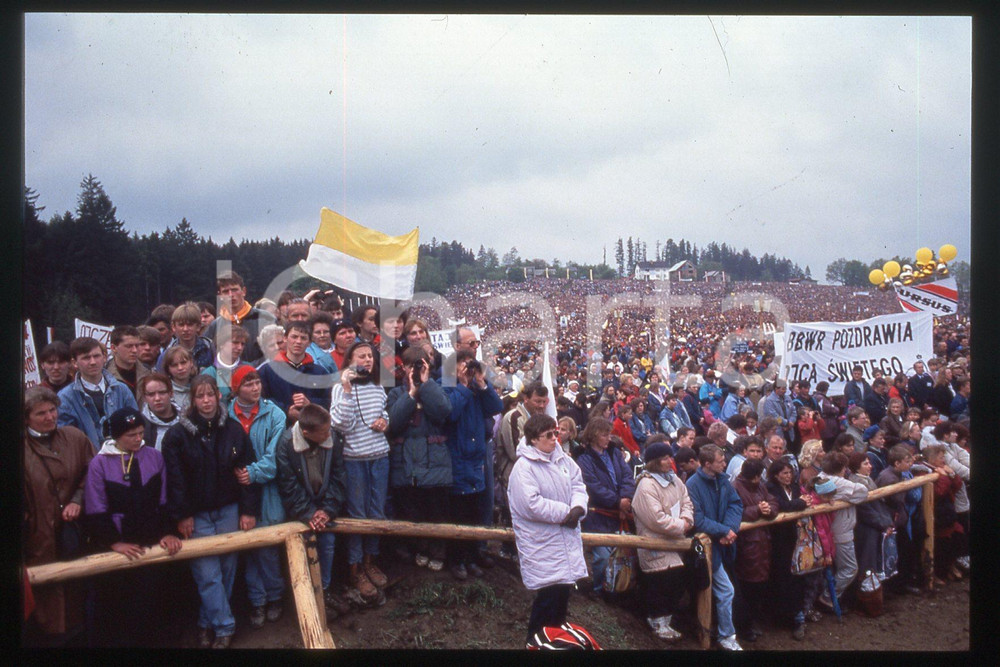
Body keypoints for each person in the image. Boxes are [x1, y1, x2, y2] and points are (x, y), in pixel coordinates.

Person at [162, 374, 260, 649]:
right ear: (192, 400)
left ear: (218, 396)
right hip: (197, 515)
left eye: (210, 395)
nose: (206, 401)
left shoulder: (232, 429)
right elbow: (174, 479)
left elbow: (245, 471)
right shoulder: (177, 435)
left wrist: (248, 510)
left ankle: (207, 623)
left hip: (228, 509)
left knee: (227, 571)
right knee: (207, 574)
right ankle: (225, 627)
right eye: (199, 396)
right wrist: (182, 514)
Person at [84, 407, 183, 647]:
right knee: (122, 603)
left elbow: (164, 499)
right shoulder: (99, 463)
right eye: (131, 435)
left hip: (151, 536)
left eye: (140, 433)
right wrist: (114, 542)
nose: (138, 439)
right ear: (117, 436)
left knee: (155, 598)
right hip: (120, 539)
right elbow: (95, 506)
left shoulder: (154, 457)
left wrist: (168, 531)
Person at [507, 413, 589, 647]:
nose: (555, 438)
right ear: (533, 439)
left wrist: (578, 508)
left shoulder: (564, 459)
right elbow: (530, 504)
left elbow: (578, 486)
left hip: (565, 537)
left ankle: (555, 643)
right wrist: (567, 513)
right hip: (541, 542)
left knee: (561, 598)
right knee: (547, 599)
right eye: (549, 435)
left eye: (556, 433)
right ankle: (534, 643)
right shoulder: (523, 468)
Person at [22, 387, 94, 646]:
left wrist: (77, 501)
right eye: (41, 413)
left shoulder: (74, 437)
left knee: (76, 590)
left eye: (53, 410)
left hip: (74, 532)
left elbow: (92, 473)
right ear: (26, 417)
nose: (50, 417)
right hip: (38, 538)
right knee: (47, 599)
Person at [330, 341, 391, 602]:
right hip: (354, 459)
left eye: (370, 356)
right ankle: (355, 569)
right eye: (361, 356)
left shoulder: (377, 387)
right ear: (349, 360)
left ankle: (370, 561)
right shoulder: (339, 389)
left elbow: (384, 412)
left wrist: (384, 421)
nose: (367, 360)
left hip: (380, 456)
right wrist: (345, 388)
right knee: (357, 514)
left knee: (377, 512)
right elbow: (341, 424)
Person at [275, 404, 350, 618]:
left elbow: (338, 476)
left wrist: (327, 510)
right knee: (303, 549)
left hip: (324, 504)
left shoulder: (332, 437)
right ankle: (305, 596)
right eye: (324, 432)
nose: (329, 434)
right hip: (300, 508)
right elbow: (288, 485)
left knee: (327, 545)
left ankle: (324, 591)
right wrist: (308, 513)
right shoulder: (286, 444)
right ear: (307, 432)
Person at [228, 366, 288, 628]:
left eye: (257, 382)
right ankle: (256, 600)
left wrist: (252, 472)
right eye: (247, 384)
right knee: (248, 551)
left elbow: (276, 456)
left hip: (267, 491)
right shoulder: (226, 414)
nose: (255, 388)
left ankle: (274, 596)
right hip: (235, 493)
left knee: (266, 550)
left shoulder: (274, 413)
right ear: (236, 388)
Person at [386, 345, 453, 572]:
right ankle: (420, 549)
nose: (414, 370)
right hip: (406, 464)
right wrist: (412, 393)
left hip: (435, 462)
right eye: (410, 366)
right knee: (413, 509)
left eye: (420, 365)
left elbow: (444, 412)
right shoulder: (396, 393)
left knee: (437, 510)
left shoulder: (436, 388)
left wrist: (426, 385)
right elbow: (393, 424)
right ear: (403, 368)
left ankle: (438, 552)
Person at [443, 348, 504, 579]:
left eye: (471, 364)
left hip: (476, 457)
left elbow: (496, 407)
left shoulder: (478, 390)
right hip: (457, 456)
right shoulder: (448, 387)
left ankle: (471, 556)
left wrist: (481, 383)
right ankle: (457, 559)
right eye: (463, 364)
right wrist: (462, 385)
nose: (468, 368)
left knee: (475, 511)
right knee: (458, 512)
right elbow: (450, 413)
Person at [631, 441, 694, 642]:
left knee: (676, 583)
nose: (670, 461)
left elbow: (686, 502)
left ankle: (666, 620)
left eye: (669, 457)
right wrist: (680, 526)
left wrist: (686, 520)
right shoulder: (646, 485)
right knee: (661, 582)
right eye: (665, 458)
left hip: (676, 540)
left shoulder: (675, 480)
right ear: (655, 462)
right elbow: (655, 519)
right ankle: (656, 621)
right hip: (654, 542)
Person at [685, 444, 743, 651]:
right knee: (726, 590)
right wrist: (723, 531)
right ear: (708, 463)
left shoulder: (723, 480)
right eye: (721, 461)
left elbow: (735, 505)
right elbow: (697, 520)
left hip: (723, 544)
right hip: (705, 549)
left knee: (726, 589)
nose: (725, 464)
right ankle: (726, 636)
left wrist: (729, 529)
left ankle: (720, 632)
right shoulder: (693, 485)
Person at [576, 415, 636, 598]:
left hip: (619, 511)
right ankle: (597, 589)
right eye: (604, 435)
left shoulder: (614, 453)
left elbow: (627, 476)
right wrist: (616, 501)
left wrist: (625, 497)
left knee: (622, 553)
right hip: (598, 513)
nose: (608, 438)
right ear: (594, 435)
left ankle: (617, 588)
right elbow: (592, 485)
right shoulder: (584, 459)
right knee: (602, 555)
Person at [57, 336, 139, 450]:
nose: (93, 362)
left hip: (122, 455)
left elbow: (135, 424)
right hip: (86, 460)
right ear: (74, 362)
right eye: (86, 358)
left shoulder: (121, 390)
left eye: (96, 356)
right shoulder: (65, 397)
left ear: (104, 357)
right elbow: (65, 437)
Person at [731, 458, 778, 643]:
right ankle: (744, 627)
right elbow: (735, 513)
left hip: (762, 543)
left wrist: (768, 509)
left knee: (758, 589)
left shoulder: (760, 487)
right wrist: (757, 510)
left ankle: (751, 623)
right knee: (746, 590)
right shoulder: (735, 488)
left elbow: (773, 501)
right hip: (747, 545)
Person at [765, 459, 812, 641]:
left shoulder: (795, 487)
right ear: (776, 475)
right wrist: (799, 503)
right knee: (782, 577)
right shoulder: (771, 488)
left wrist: (801, 502)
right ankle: (782, 616)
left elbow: (802, 501)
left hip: (796, 537)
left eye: (790, 472)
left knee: (798, 577)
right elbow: (779, 506)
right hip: (779, 539)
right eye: (784, 473)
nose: (788, 476)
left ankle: (797, 615)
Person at [816, 452, 869, 611]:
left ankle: (830, 596)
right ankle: (827, 597)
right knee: (850, 568)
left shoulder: (821, 476)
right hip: (840, 531)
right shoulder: (837, 482)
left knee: (836, 568)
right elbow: (862, 492)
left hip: (833, 530)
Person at [258, 320, 334, 424]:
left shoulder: (319, 372)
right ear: (285, 338)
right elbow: (261, 399)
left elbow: (329, 401)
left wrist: (310, 404)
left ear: (309, 343)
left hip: (312, 427)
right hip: (279, 426)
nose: (298, 341)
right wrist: (286, 410)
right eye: (294, 337)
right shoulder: (268, 370)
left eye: (303, 338)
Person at [876, 445, 925, 595]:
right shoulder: (889, 477)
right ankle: (897, 586)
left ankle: (902, 584)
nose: (909, 464)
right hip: (891, 522)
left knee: (904, 553)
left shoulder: (897, 474)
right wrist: (905, 486)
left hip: (898, 520)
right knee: (897, 555)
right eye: (906, 461)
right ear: (897, 463)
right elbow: (895, 499)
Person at [202, 270, 273, 363]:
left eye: (234, 290)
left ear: (244, 291)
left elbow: (275, 352)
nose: (231, 295)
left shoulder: (266, 319)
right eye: (226, 291)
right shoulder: (215, 326)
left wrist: (248, 369)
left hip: (259, 374)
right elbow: (208, 357)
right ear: (220, 296)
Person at [922, 444, 966, 585]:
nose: (943, 460)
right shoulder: (924, 471)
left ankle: (949, 566)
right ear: (932, 458)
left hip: (947, 512)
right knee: (940, 545)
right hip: (935, 515)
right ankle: (936, 573)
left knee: (957, 536)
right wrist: (944, 476)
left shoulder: (942, 470)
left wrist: (952, 474)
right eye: (941, 457)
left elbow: (957, 486)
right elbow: (938, 492)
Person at [847, 452, 894, 583]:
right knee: (867, 563)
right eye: (866, 464)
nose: (870, 466)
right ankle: (866, 594)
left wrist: (887, 523)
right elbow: (866, 511)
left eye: (869, 463)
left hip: (875, 526)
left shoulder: (868, 480)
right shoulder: (856, 484)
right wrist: (884, 524)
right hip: (866, 530)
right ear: (857, 467)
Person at [156, 302, 216, 372]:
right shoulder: (166, 355)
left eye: (190, 325)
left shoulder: (210, 348)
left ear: (198, 326)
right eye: (181, 325)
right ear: (173, 327)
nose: (185, 329)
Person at [200, 324, 252, 404]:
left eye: (242, 344)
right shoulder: (209, 373)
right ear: (221, 344)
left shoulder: (249, 369)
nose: (240, 348)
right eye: (235, 342)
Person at [138, 372, 182, 452]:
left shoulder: (186, 421)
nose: (157, 398)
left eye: (162, 393)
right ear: (144, 397)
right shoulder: (140, 425)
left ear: (171, 393)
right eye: (151, 394)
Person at [105, 325, 151, 398]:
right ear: (113, 348)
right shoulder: (104, 376)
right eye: (129, 346)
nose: (134, 350)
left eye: (137, 346)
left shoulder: (149, 373)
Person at [162, 346, 196, 413]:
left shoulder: (199, 386)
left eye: (183, 363)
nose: (180, 368)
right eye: (174, 365)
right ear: (168, 369)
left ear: (191, 363)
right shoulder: (164, 391)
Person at [762, 378, 796, 444]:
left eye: (785, 388)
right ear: (776, 389)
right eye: (783, 389)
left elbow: (793, 411)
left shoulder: (788, 398)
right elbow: (774, 416)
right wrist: (786, 423)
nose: (785, 391)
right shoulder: (769, 401)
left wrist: (791, 421)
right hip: (778, 431)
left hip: (790, 431)